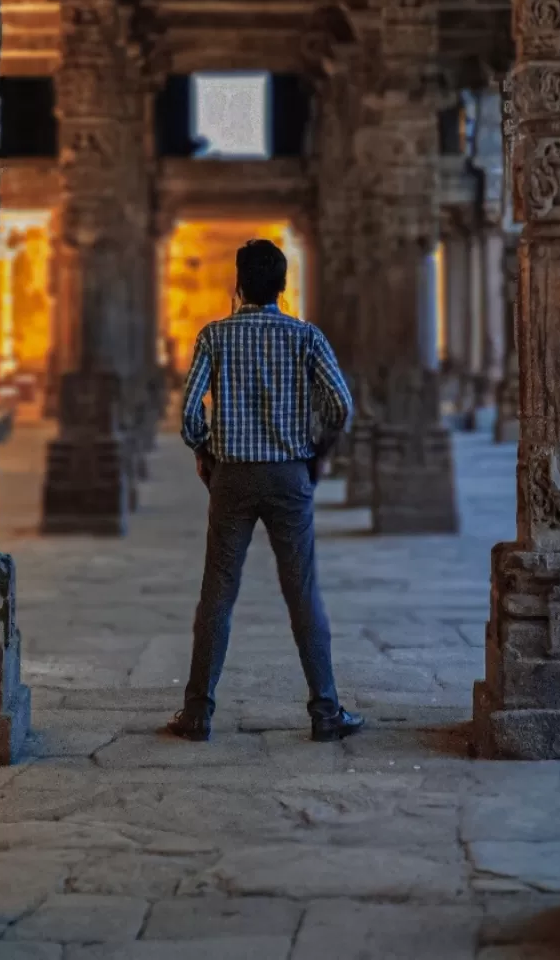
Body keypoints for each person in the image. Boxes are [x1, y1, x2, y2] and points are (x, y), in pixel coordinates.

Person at [166, 237, 364, 743]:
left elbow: (190, 413)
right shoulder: (306, 337)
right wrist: (316, 451)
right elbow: (340, 403)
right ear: (282, 285)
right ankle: (325, 711)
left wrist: (203, 449)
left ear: (238, 284)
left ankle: (197, 713)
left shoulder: (215, 336)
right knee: (302, 595)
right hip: (288, 477)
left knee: (218, 593)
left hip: (231, 478)